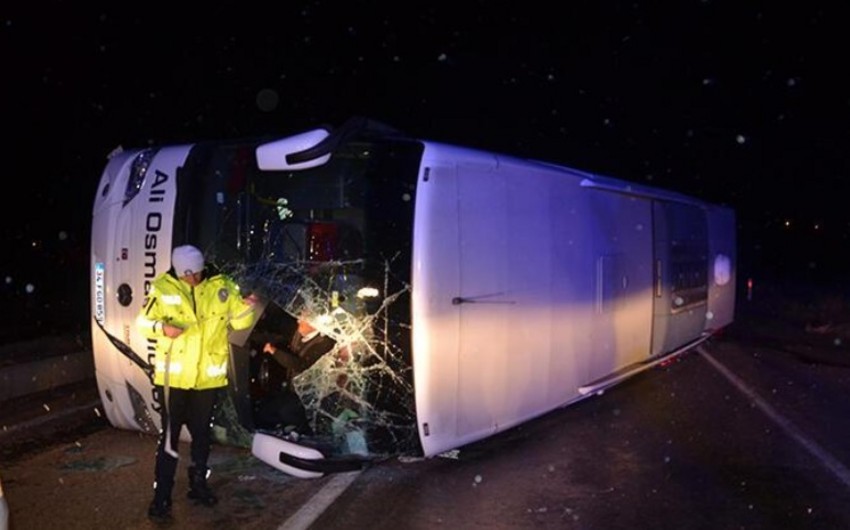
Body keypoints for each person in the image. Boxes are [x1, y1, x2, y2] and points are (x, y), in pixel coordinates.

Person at [136, 244, 257, 522]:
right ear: (179, 271)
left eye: (197, 272)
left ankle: (198, 484)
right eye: (188, 274)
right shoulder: (162, 288)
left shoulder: (222, 286)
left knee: (202, 435)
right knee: (169, 438)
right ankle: (162, 496)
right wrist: (162, 329)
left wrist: (247, 309)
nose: (193, 278)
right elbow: (143, 324)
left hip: (207, 379)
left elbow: (239, 323)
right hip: (173, 380)